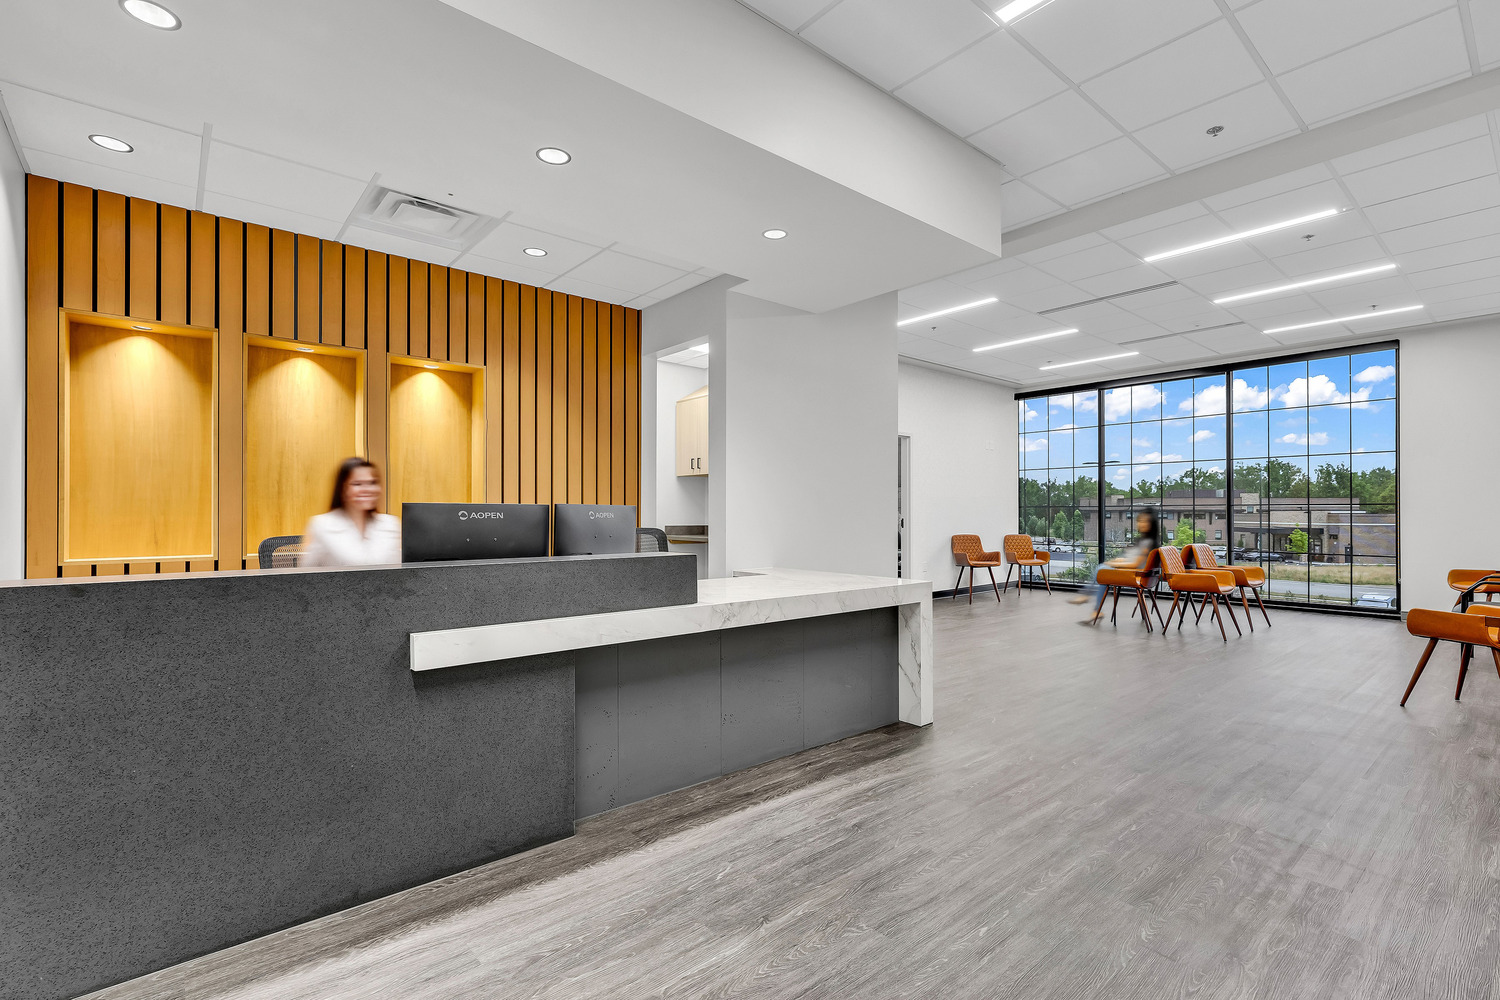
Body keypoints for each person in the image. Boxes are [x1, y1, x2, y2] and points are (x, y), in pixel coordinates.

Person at [300, 457, 402, 567]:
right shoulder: (322, 525)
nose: (367, 489)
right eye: (357, 484)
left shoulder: (391, 524)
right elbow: (307, 576)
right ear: (343, 489)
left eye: (372, 482)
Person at [1070, 508, 1160, 621]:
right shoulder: (1145, 540)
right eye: (1140, 520)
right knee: (1103, 571)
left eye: (1145, 521)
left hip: (1137, 576)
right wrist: (1120, 561)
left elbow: (1135, 564)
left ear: (1152, 524)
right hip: (1139, 574)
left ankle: (1089, 600)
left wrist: (1115, 565)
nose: (1141, 524)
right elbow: (1136, 560)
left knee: (1101, 570)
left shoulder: (1148, 542)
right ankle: (1095, 608)